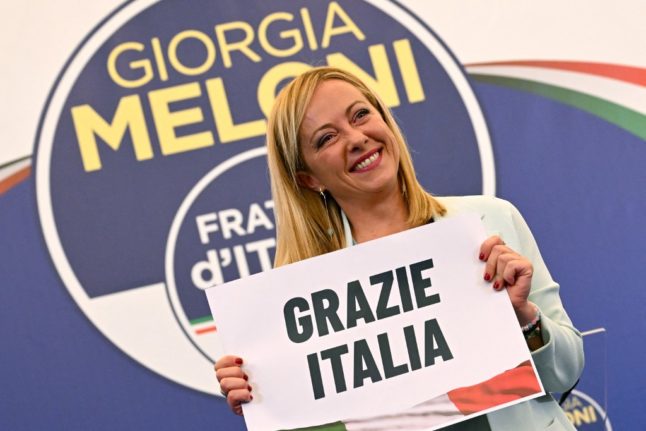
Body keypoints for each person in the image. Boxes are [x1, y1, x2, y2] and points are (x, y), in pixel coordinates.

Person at [214, 67, 584, 430]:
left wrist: (524, 317)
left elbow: (565, 373)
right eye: (327, 138)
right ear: (308, 178)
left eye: (361, 115)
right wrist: (264, 395)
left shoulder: (492, 220)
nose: (356, 138)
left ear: (385, 121)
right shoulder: (302, 303)